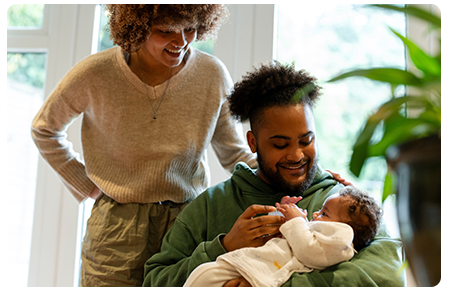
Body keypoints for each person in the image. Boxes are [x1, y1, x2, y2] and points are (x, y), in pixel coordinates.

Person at [31, 4, 257, 287]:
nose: (182, 42)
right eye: (166, 31)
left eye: (190, 28)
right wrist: (85, 183)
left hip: (187, 222)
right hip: (116, 227)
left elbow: (234, 154)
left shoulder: (212, 75)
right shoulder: (95, 73)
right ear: (136, 26)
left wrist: (304, 176)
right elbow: (44, 128)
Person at [143, 61, 405, 287]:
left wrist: (265, 287)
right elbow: (155, 282)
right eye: (280, 145)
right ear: (252, 143)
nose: (296, 155)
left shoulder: (342, 201)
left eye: (306, 141)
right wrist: (222, 247)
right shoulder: (211, 206)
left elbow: (389, 277)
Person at [183, 186, 382, 287]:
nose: (315, 215)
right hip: (251, 267)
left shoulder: (342, 239)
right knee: (204, 274)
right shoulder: (319, 233)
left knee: (205, 276)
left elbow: (307, 251)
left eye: (324, 213)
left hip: (257, 273)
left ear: (345, 228)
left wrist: (297, 222)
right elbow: (278, 239)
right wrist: (283, 214)